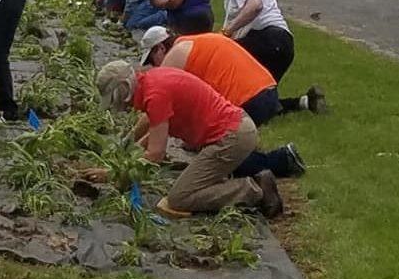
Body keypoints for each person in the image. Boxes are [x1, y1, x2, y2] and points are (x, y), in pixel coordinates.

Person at [85, 61, 284, 217]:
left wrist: (114, 174)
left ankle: (255, 189)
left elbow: (155, 154)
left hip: (231, 137)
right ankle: (231, 183)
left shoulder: (156, 95)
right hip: (235, 128)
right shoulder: (153, 80)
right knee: (193, 185)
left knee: (179, 198)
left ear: (124, 87)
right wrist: (127, 147)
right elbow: (151, 125)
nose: (118, 104)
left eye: (115, 98)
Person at [140, 27, 327, 122]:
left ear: (160, 48)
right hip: (267, 90)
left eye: (151, 61)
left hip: (251, 101)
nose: (155, 68)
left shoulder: (176, 55)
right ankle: (302, 102)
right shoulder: (197, 41)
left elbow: (162, 105)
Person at [202, 0, 295, 83]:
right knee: (260, 93)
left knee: (228, 69)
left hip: (269, 39)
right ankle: (305, 102)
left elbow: (255, 5)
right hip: (280, 42)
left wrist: (226, 31)